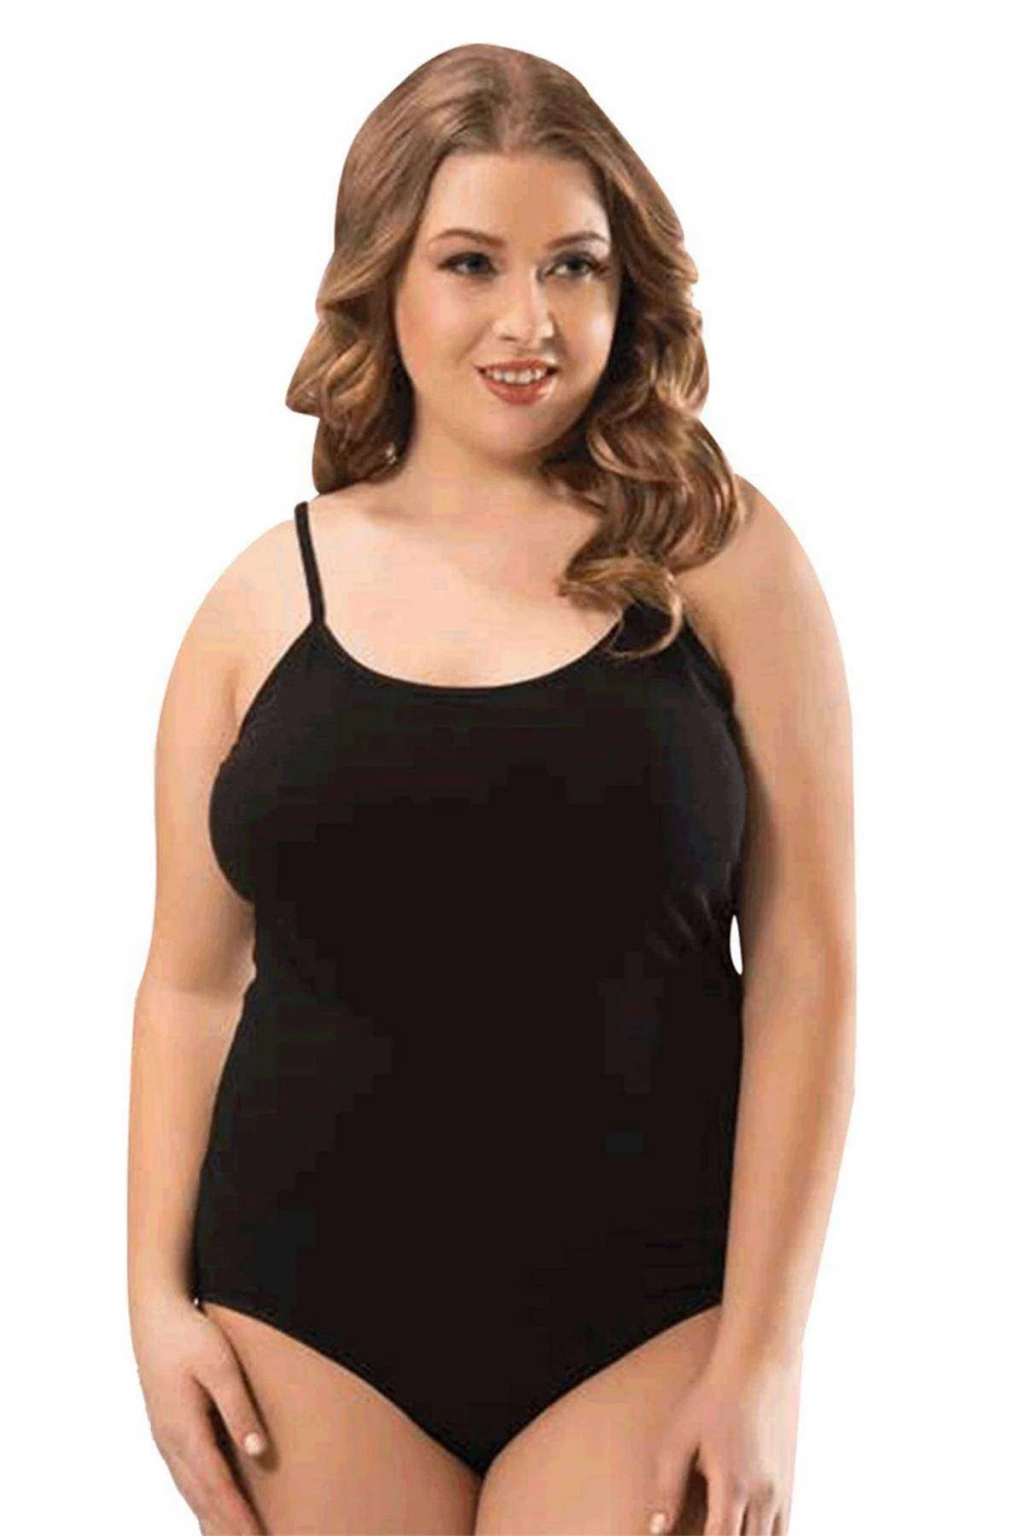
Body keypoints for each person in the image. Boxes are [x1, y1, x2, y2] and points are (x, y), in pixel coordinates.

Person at [127, 41, 855, 1536]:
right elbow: (190, 989)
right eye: (472, 263)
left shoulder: (721, 558)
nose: (532, 320)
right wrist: (150, 1302)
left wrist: (767, 1356)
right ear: (384, 280)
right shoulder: (259, 604)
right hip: (301, 1320)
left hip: (650, 1314)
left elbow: (808, 964)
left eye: (574, 265)